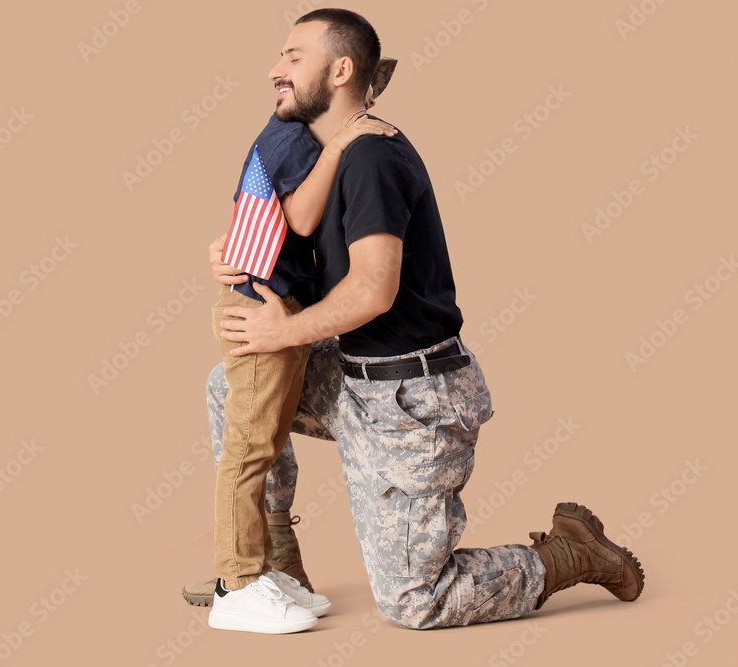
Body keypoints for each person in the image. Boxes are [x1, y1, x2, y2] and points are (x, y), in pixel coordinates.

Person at [203, 8, 644, 629]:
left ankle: (568, 553)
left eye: (294, 57)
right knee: (230, 385)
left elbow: (373, 291)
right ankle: (273, 561)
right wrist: (237, 252)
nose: (276, 70)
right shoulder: (325, 154)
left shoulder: (371, 158)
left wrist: (282, 331)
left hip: (412, 397)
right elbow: (301, 233)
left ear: (341, 70)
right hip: (355, 380)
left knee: (415, 602)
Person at [205, 65, 399, 634]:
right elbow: (301, 217)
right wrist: (342, 142)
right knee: (250, 449)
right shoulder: (292, 137)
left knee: (261, 441)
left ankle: (258, 571)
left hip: (278, 305)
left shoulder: (295, 138)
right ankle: (235, 583)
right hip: (262, 307)